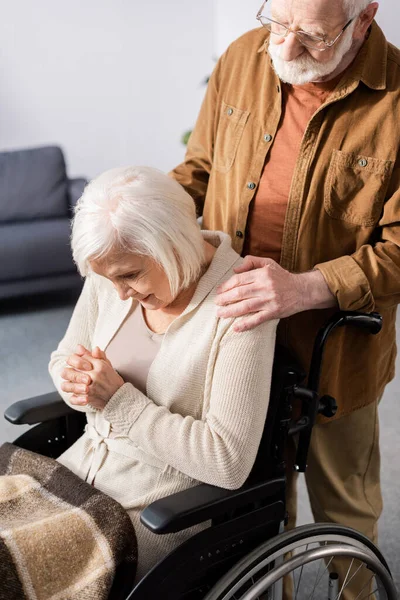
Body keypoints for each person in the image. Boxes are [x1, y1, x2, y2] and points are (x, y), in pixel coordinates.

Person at [170, 0, 400, 595]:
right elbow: (198, 170)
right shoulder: (243, 58)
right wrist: (143, 218)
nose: (289, 48)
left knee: (343, 504)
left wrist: (304, 287)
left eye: (315, 36)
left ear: (365, 16)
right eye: (279, 22)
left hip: (335, 351)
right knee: (251, 499)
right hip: (231, 333)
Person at [48, 166, 278, 581]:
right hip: (76, 475)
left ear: (173, 244)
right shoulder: (112, 266)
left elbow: (228, 462)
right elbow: (64, 356)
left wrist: (118, 402)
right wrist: (73, 381)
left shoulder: (241, 303)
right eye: (107, 279)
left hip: (154, 510)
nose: (118, 293)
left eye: (130, 276)